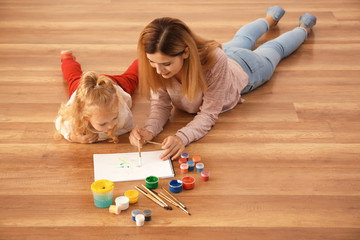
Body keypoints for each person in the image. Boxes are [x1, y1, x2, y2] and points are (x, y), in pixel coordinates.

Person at [129, 6, 317, 160]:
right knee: (242, 39)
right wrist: (149, 130)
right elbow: (160, 105)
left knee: (274, 48)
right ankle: (270, 18)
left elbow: (209, 114)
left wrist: (181, 137)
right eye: (152, 62)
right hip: (224, 53)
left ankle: (304, 28)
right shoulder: (158, 65)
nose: (159, 71)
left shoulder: (213, 60)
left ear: (186, 52)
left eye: (166, 64)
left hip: (248, 68)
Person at [55, 51, 138, 143]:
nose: (111, 126)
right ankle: (67, 58)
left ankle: (143, 59)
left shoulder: (122, 113)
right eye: (103, 124)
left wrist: (102, 135)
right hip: (82, 88)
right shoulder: (74, 118)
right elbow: (60, 125)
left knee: (131, 78)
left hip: (112, 84)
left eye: (115, 118)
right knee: (72, 77)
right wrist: (73, 137)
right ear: (85, 117)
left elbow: (128, 126)